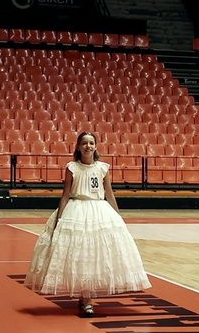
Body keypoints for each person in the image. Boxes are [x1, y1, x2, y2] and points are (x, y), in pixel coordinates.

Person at [24, 132, 150, 317]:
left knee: (96, 254)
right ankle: (85, 299)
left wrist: (118, 218)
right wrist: (59, 220)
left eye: (91, 143)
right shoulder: (72, 167)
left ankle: (87, 297)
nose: (88, 146)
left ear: (96, 146)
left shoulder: (103, 168)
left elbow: (109, 194)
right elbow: (65, 195)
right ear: (78, 146)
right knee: (81, 254)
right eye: (84, 143)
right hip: (77, 211)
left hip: (99, 211)